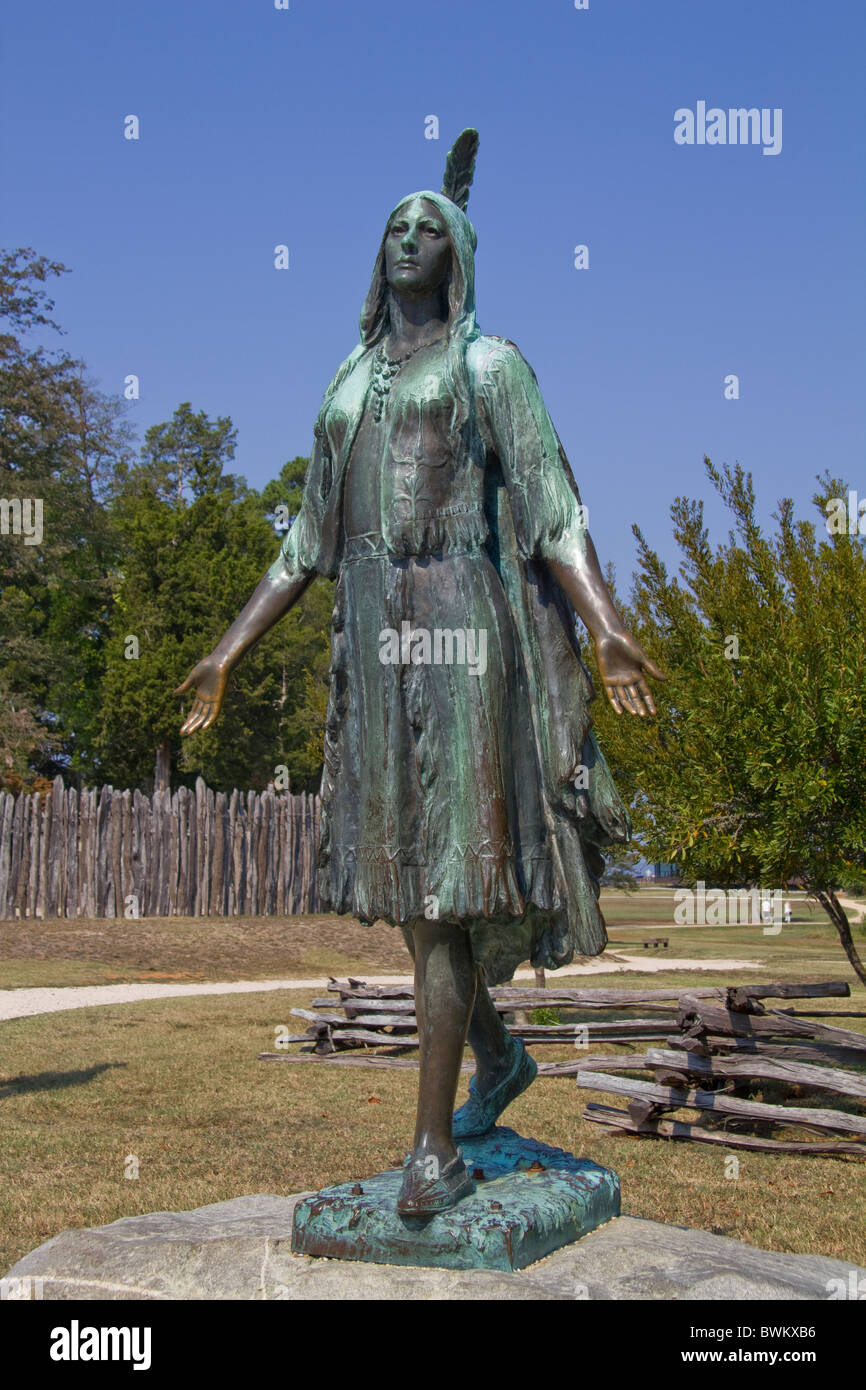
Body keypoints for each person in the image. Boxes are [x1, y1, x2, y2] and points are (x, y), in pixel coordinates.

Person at [176, 132, 663, 1215]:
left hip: (462, 635)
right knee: (411, 889)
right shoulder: (348, 379)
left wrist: (606, 624)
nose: (406, 240)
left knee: (445, 887)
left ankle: (431, 1149)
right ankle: (497, 1058)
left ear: (457, 255)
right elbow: (303, 542)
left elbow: (549, 507)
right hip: (373, 647)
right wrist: (222, 652)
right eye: (393, 229)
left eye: (426, 227)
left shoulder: (489, 367)